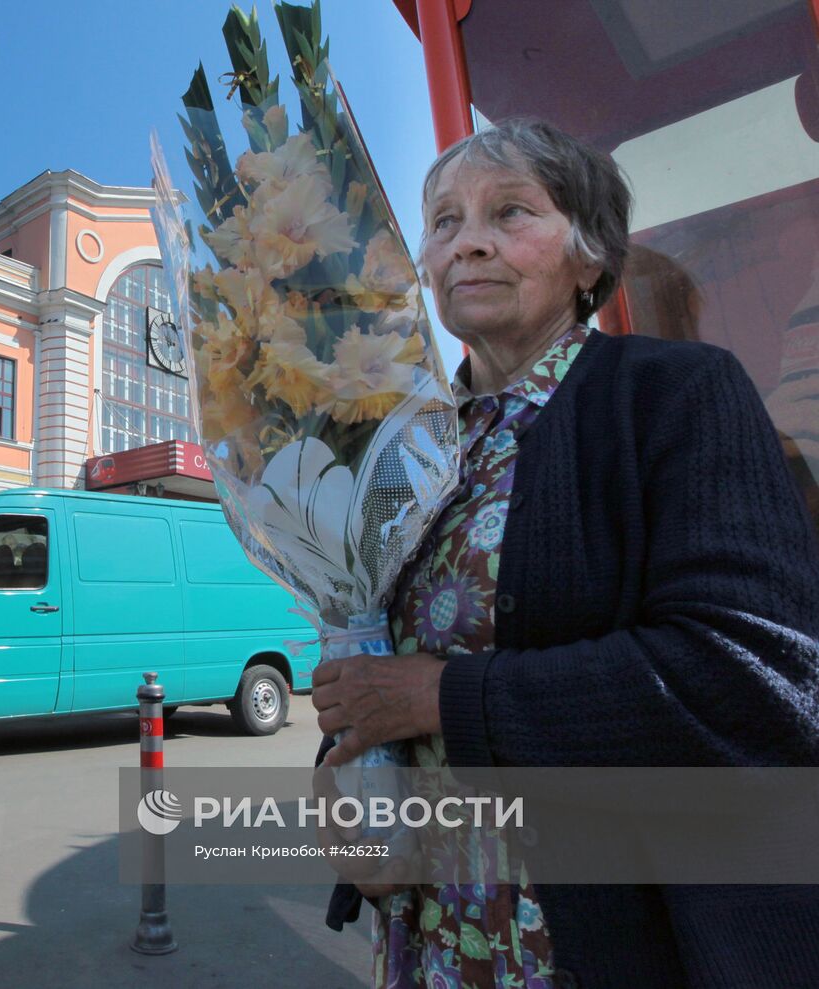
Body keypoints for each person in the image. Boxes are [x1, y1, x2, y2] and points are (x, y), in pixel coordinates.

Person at [310, 119, 819, 988]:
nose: (468, 241)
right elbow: (371, 669)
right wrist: (345, 812)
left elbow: (750, 678)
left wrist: (443, 697)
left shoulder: (676, 396)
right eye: (444, 222)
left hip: (603, 947)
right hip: (432, 945)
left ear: (589, 259)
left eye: (510, 212)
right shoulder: (401, 452)